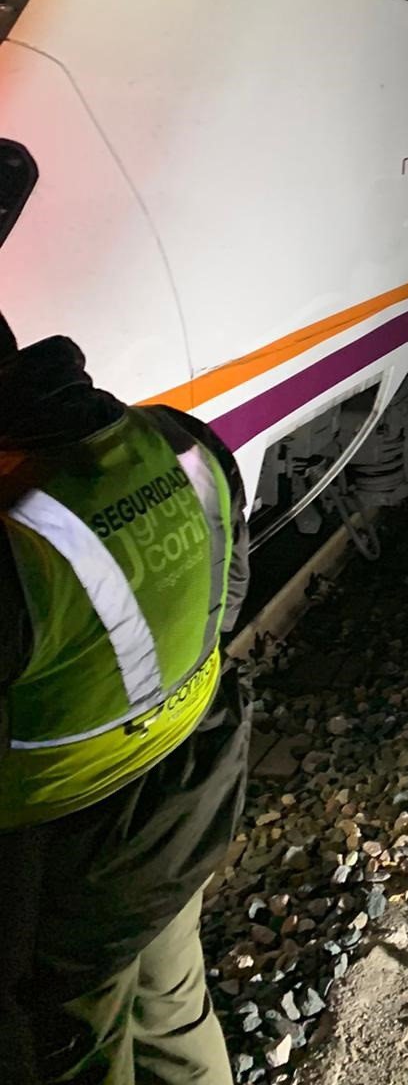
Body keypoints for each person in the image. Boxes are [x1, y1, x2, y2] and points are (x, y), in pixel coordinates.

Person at [0, 316, 251, 1083]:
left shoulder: (15, 535)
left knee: (76, 1046)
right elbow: (230, 595)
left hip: (66, 860)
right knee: (174, 1003)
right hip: (192, 788)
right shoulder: (181, 441)